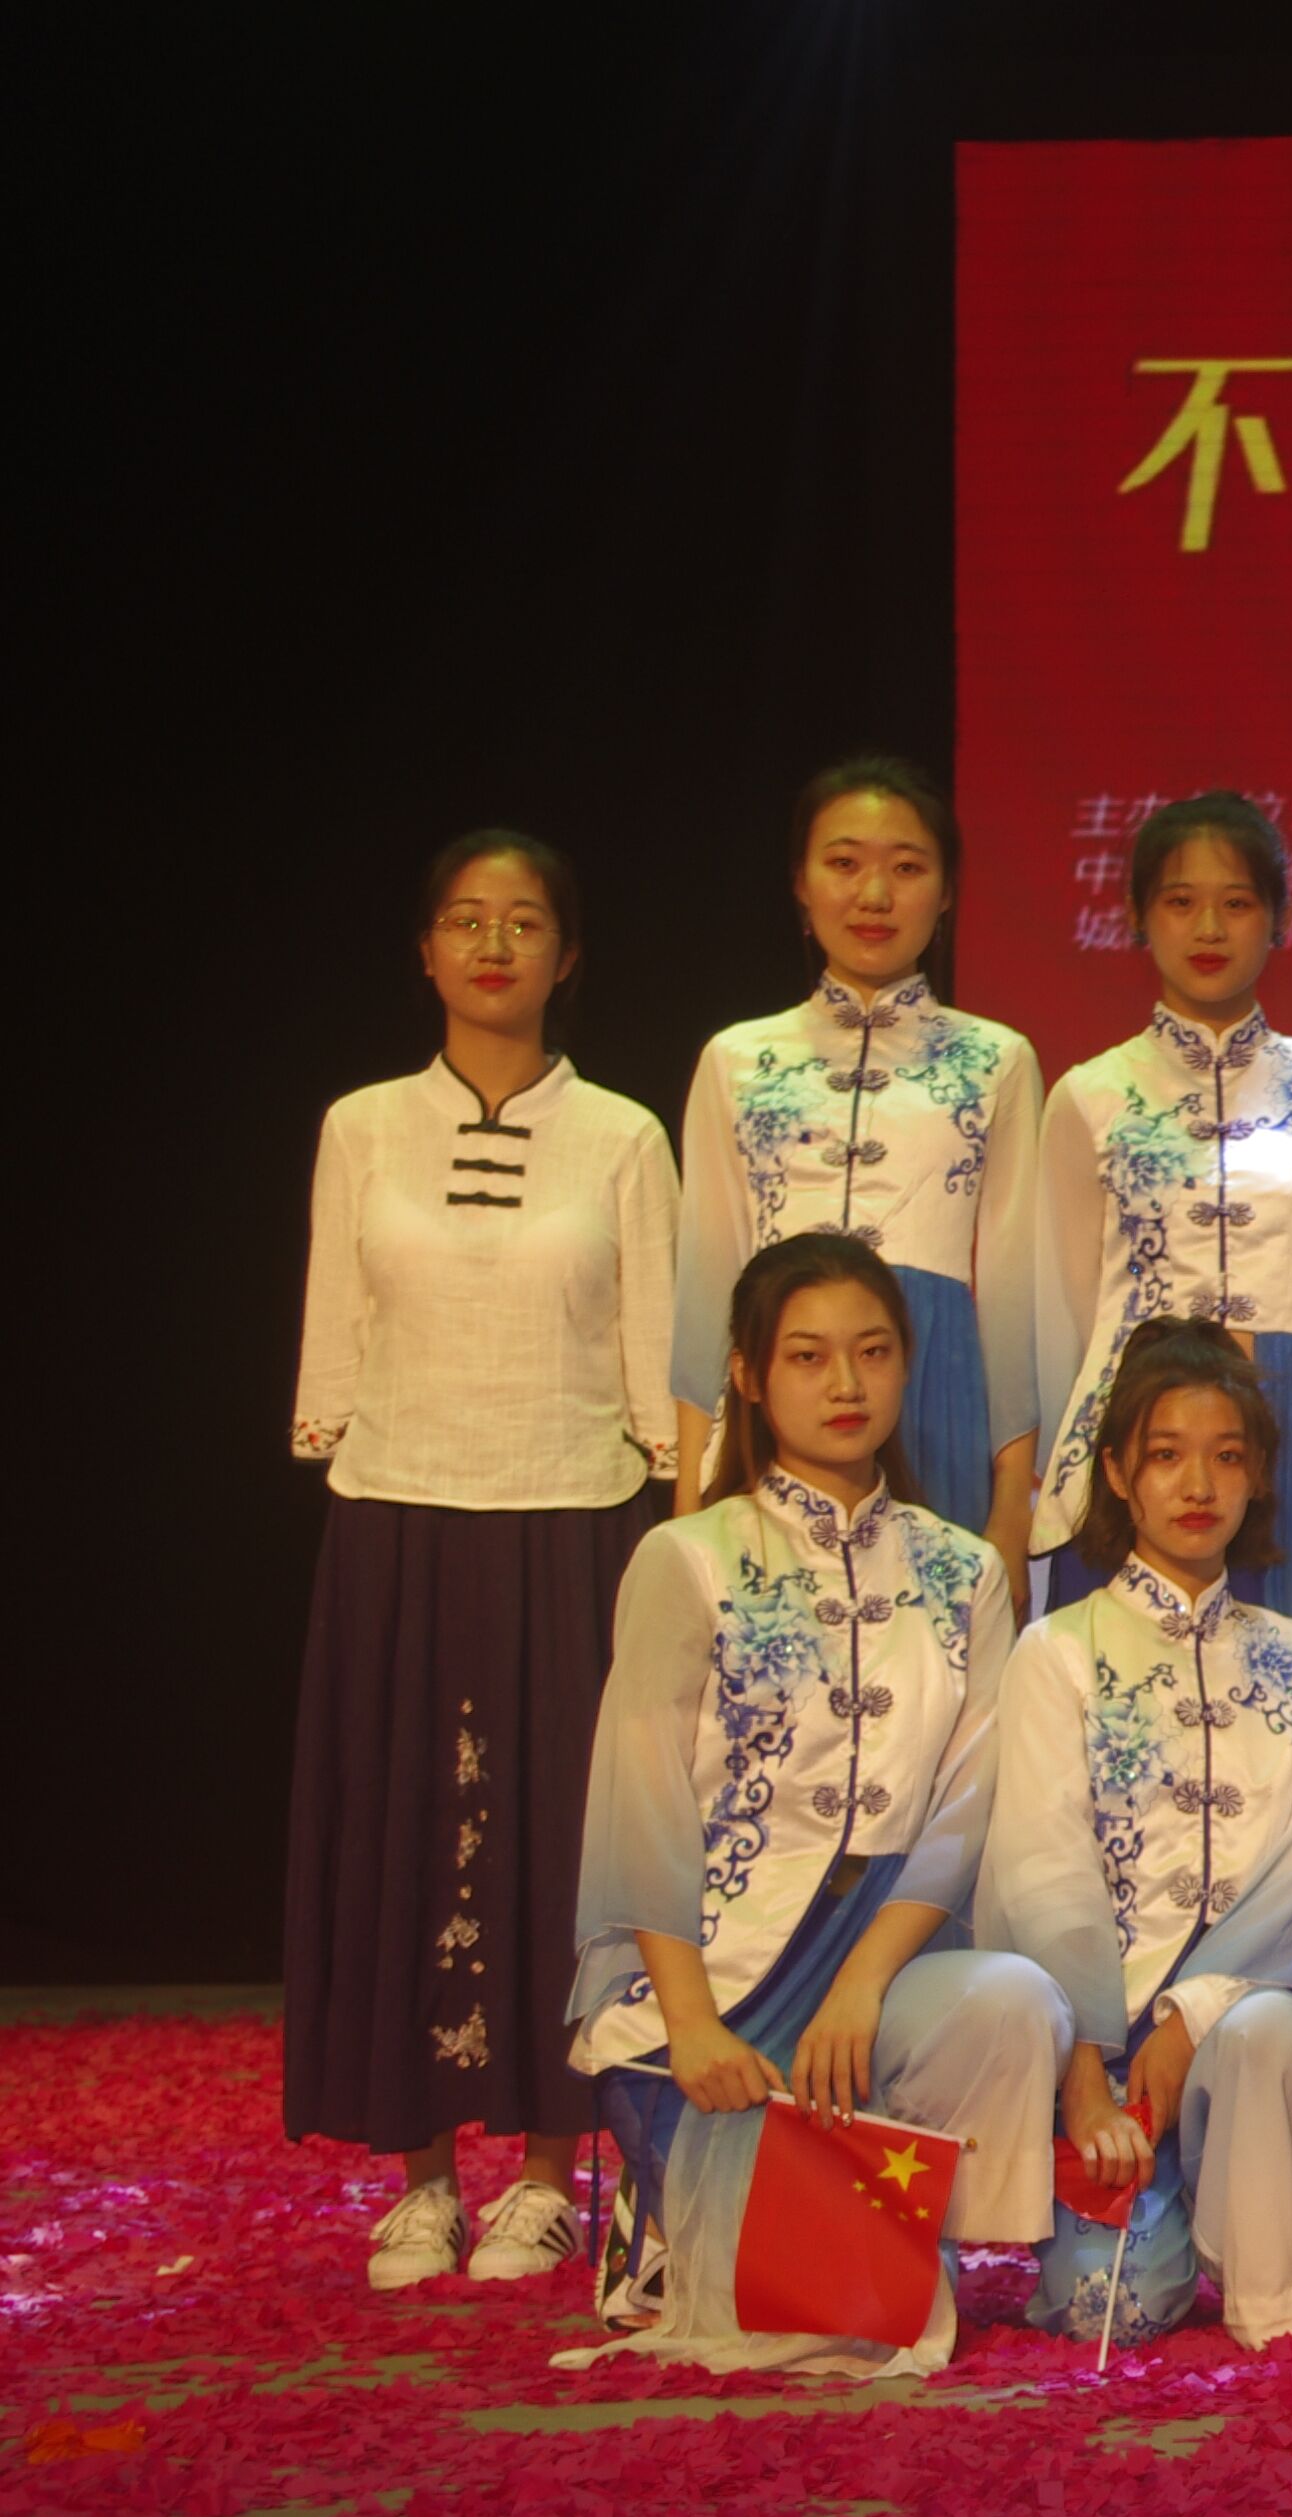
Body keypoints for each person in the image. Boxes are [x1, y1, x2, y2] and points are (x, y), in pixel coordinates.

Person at [559, 1235, 1064, 2371]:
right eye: (807, 1356)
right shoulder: (686, 1558)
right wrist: (692, 2023)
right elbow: (641, 1806)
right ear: (747, 1375)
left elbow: (962, 1813)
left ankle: (896, 2216)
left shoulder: (965, 1573)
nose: (846, 1383)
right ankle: (673, 2211)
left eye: (872, 1353)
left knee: (1014, 1999)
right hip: (712, 1989)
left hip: (878, 1969)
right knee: (815, 2324)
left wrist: (862, 1985)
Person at [288, 829, 675, 2294]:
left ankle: (544, 2175)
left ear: (568, 957)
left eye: (523, 922)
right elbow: (337, 1341)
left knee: (557, 1845)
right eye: (466, 919)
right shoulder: (361, 1127)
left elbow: (655, 1361)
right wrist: (342, 1437)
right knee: (399, 1827)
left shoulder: (623, 1137)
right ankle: (420, 2180)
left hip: (570, 1521)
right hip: (397, 1518)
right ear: (427, 950)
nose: (494, 944)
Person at [984, 1320, 1292, 2349]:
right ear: (1117, 1473)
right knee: (1112, 2308)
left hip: (1255, 2032)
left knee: (1267, 2031)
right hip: (1110, 2057)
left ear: (1257, 1475)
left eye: (1227, 1456)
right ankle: (1167, 2212)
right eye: (1166, 1455)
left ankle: (1273, 2300)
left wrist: (1194, 2012)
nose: (1198, 1485)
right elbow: (1043, 1871)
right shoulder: (1057, 1653)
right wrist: (1087, 2071)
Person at [1036, 793, 1292, 1700]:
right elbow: (1066, 1309)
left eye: (1236, 903)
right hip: (1140, 1417)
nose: (1208, 928)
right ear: (1138, 916)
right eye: (1179, 902)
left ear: (1278, 918)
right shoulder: (1090, 1094)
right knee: (1135, 1703)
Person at [671, 756, 1042, 1573]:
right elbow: (706, 1282)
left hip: (935, 1378)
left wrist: (1012, 1508)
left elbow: (1017, 1295)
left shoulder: (997, 1059)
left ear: (946, 893)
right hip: (776, 1381)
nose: (874, 895)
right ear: (801, 885)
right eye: (843, 863)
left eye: (906, 868)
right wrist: (688, 1498)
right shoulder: (736, 1058)